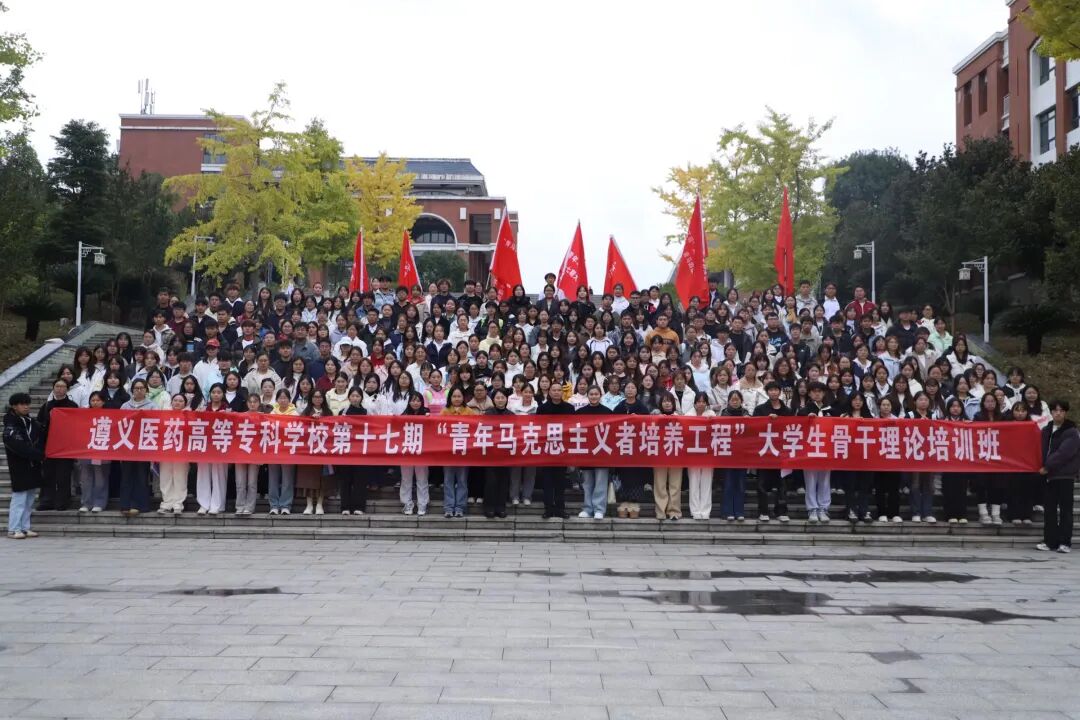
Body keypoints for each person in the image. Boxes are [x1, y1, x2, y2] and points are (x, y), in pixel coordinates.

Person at [1037, 400, 1079, 553]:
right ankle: (1050, 541)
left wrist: (1047, 466)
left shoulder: (1071, 431)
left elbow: (1064, 453)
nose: (1058, 413)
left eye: (1061, 410)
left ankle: (1065, 542)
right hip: (1049, 476)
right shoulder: (1046, 430)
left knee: (1066, 510)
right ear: (1051, 412)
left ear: (1065, 413)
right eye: (1055, 410)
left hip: (1065, 475)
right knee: (1049, 510)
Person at [5, 392, 44, 539]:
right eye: (22, 404)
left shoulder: (30, 422)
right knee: (19, 498)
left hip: (33, 464)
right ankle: (13, 528)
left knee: (30, 498)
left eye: (27, 404)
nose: (26, 407)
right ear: (14, 406)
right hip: (19, 465)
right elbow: (17, 445)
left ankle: (25, 527)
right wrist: (37, 454)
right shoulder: (10, 425)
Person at [753, 382, 794, 522]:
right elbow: (753, 427)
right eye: (771, 390)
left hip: (782, 451)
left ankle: (781, 511)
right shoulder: (760, 409)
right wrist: (766, 420)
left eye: (776, 390)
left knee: (782, 483)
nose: (774, 392)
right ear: (767, 392)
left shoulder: (787, 411)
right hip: (765, 450)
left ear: (780, 392)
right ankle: (763, 511)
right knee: (762, 483)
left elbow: (793, 428)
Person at [36, 378, 78, 511]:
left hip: (66, 447)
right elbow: (39, 426)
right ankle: (46, 501)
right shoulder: (46, 406)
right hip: (49, 446)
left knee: (63, 476)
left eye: (63, 386)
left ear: (67, 389)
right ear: (53, 388)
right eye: (57, 386)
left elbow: (76, 426)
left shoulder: (72, 406)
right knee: (48, 475)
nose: (60, 389)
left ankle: (63, 501)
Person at [118, 379, 156, 516]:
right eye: (136, 388)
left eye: (142, 388)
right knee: (126, 475)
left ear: (146, 390)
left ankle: (141, 505)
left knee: (141, 476)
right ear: (132, 390)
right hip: (127, 445)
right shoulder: (125, 406)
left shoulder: (153, 406)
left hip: (144, 446)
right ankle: (125, 505)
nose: (139, 391)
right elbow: (119, 423)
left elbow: (156, 424)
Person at [538, 382, 574, 520]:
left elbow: (573, 429)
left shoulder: (569, 408)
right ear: (549, 392)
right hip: (547, 449)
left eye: (559, 390)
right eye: (554, 390)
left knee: (560, 481)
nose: (557, 392)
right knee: (547, 482)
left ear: (562, 392)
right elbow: (538, 428)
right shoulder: (542, 408)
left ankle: (560, 508)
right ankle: (548, 508)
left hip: (562, 450)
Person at [576, 386, 612, 520]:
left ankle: (599, 509)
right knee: (587, 482)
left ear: (600, 395)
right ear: (588, 395)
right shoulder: (580, 413)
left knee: (601, 481)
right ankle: (587, 508)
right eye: (591, 394)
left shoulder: (608, 412)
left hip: (602, 452)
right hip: (585, 451)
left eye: (596, 394)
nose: (594, 396)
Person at [797, 381, 832, 523]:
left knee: (825, 479)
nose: (817, 394)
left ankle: (823, 507)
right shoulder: (804, 410)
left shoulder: (830, 410)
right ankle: (812, 508)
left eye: (820, 391)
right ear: (810, 393)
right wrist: (806, 419)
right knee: (810, 479)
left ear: (824, 393)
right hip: (809, 450)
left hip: (826, 449)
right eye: (814, 391)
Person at [440, 386, 475, 518]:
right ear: (450, 398)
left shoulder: (469, 411)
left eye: (459, 396)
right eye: (454, 396)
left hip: (463, 452)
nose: (456, 399)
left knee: (462, 481)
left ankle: (460, 507)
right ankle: (448, 507)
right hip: (448, 453)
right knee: (448, 481)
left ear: (463, 398)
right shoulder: (444, 412)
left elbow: (474, 430)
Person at [158, 393, 192, 514]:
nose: (177, 403)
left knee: (180, 477)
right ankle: (167, 503)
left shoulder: (189, 416)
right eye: (175, 400)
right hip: (166, 450)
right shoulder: (164, 415)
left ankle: (178, 503)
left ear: (185, 403)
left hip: (182, 451)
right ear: (171, 402)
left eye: (181, 401)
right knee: (165, 477)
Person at [337, 387, 369, 516]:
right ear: (349, 397)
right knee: (345, 480)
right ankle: (345, 506)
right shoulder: (343, 412)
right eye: (353, 396)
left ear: (361, 398)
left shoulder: (366, 412)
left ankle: (359, 506)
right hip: (345, 450)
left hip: (361, 451)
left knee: (360, 480)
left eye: (357, 396)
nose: (355, 398)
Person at [652, 392, 683, 521]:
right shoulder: (654, 417)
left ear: (673, 403)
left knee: (675, 484)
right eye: (664, 401)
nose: (667, 403)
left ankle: (674, 511)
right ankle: (661, 510)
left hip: (676, 454)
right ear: (661, 403)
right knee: (659, 484)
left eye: (669, 401)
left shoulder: (681, 417)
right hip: (659, 454)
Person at [483, 389, 513, 519]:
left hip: (506, 453)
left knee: (504, 481)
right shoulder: (488, 414)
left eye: (502, 397)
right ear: (493, 400)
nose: (500, 400)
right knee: (491, 481)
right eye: (497, 398)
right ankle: (489, 507)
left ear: (506, 399)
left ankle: (501, 507)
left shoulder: (511, 415)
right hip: (491, 453)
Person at [400, 391, 430, 516]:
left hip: (422, 452)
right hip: (407, 451)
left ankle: (422, 504)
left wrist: (429, 419)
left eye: (418, 400)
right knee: (406, 479)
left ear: (422, 402)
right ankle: (407, 503)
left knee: (422, 479)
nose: (415, 403)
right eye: (413, 400)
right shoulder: (404, 414)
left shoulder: (427, 414)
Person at [687, 391, 716, 521]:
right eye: (698, 401)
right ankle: (695, 511)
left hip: (707, 453)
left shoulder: (712, 414)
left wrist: (711, 422)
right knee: (694, 482)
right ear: (694, 403)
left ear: (707, 403)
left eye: (703, 402)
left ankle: (705, 511)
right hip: (692, 453)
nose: (701, 404)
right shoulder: (688, 415)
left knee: (706, 482)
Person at [268, 389, 297, 514]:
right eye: (280, 398)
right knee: (273, 478)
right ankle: (274, 505)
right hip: (274, 450)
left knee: (287, 479)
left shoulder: (295, 414)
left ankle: (286, 505)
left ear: (289, 400)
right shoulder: (271, 413)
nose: (283, 400)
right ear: (277, 400)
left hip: (288, 450)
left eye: (285, 398)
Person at [874, 396, 902, 524]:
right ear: (879, 407)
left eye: (888, 405)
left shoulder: (898, 421)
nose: (886, 407)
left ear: (892, 407)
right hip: (879, 458)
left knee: (894, 488)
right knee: (880, 487)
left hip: (894, 458)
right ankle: (882, 513)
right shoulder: (874, 420)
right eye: (883, 405)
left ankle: (894, 513)